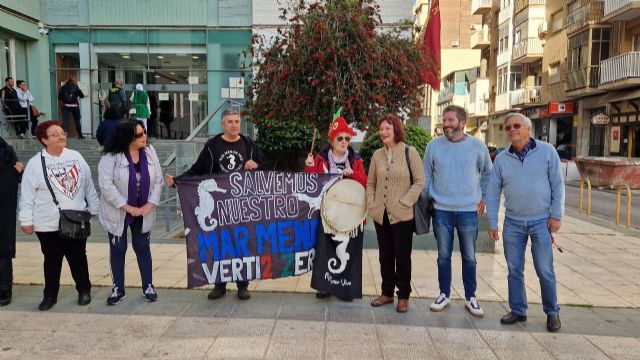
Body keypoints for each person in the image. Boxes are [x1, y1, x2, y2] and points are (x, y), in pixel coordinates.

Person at [165, 109, 267, 300]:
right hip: (219, 208)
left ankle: (242, 285)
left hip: (241, 206)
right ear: (223, 124)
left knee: (241, 244)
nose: (234, 125)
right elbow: (198, 170)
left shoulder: (249, 144)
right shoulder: (213, 146)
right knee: (220, 244)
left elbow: (265, 166)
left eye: (237, 121)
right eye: (230, 122)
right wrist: (178, 181)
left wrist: (257, 165)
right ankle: (219, 285)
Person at [486, 113, 564, 333]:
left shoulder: (547, 152)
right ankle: (518, 310)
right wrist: (493, 223)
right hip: (513, 222)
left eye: (516, 126)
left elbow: (558, 185)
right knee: (514, 269)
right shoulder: (501, 159)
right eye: (508, 127)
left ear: (528, 129)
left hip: (541, 221)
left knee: (544, 269)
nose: (511, 130)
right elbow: (492, 193)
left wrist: (556, 215)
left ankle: (552, 312)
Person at [19, 120, 99, 311]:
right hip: (46, 223)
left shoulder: (76, 157)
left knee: (78, 257)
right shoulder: (35, 164)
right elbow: (27, 195)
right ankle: (50, 295)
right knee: (52, 260)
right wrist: (26, 220)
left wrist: (93, 207)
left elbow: (88, 185)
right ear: (44, 140)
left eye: (62, 133)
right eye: (55, 135)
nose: (61, 136)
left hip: (75, 219)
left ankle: (84, 290)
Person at [423, 105, 492, 317]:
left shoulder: (477, 147)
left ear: (462, 123)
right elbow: (426, 176)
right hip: (441, 210)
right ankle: (444, 294)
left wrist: (484, 198)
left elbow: (488, 173)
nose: (446, 124)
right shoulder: (433, 146)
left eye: (450, 120)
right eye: (444, 120)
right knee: (443, 255)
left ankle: (471, 297)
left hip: (468, 211)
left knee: (469, 257)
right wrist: (427, 201)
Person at [98, 120, 164, 305]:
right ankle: (118, 289)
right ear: (127, 138)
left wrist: (149, 205)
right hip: (118, 210)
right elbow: (106, 185)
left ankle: (148, 286)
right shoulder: (111, 157)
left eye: (144, 133)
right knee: (118, 248)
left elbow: (158, 179)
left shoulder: (150, 152)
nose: (144, 137)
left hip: (144, 209)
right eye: (139, 135)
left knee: (142, 246)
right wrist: (127, 207)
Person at [304, 112, 367, 301]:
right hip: (328, 214)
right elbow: (311, 183)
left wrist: (353, 174)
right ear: (332, 140)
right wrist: (309, 166)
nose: (344, 141)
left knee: (348, 252)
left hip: (351, 215)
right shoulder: (320, 160)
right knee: (325, 250)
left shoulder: (356, 161)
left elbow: (365, 182)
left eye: (347, 138)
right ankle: (325, 287)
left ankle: (345, 289)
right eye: (340, 138)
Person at [366, 114, 424, 313]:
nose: (383, 132)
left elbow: (419, 181)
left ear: (396, 130)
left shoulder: (410, 152)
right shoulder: (376, 155)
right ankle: (386, 292)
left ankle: (404, 296)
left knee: (402, 256)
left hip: (402, 215)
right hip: (380, 214)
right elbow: (371, 183)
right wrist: (372, 205)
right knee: (385, 256)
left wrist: (404, 202)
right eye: (381, 129)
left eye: (387, 129)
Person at [0, 136, 24, 306]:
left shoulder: (6, 151)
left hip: (3, 210)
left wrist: (19, 172)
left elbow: (17, 174)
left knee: (2, 248)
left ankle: (4, 287)